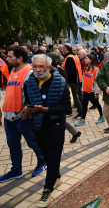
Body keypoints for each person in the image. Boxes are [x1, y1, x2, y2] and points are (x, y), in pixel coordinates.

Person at [22, 54, 71, 207]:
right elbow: (27, 103)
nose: (37, 69)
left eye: (41, 66)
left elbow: (67, 108)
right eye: (34, 66)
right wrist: (28, 111)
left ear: (49, 67)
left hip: (55, 124)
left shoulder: (60, 82)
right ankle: (56, 177)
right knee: (46, 155)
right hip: (37, 124)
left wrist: (45, 109)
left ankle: (47, 190)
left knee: (53, 155)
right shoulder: (29, 83)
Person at [0, 46, 46, 183]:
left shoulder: (29, 72)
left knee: (33, 142)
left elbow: (33, 95)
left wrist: (26, 113)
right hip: (9, 116)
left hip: (22, 117)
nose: (6, 59)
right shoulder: (13, 70)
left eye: (9, 56)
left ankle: (43, 161)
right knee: (13, 144)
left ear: (20, 58)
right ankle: (16, 170)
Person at [47, 52, 81, 143]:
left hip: (58, 98)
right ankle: (75, 132)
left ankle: (74, 132)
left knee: (58, 118)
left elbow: (64, 83)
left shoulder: (58, 69)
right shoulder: (52, 69)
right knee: (58, 118)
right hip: (54, 97)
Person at [74, 54, 105, 126]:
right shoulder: (85, 68)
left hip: (93, 91)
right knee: (84, 105)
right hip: (86, 90)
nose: (85, 60)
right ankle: (82, 120)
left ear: (91, 60)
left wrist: (96, 93)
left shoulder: (96, 70)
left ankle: (102, 116)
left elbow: (97, 82)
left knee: (96, 104)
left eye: (87, 58)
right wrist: (82, 89)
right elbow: (84, 79)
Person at [62, 44, 83, 119]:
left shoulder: (69, 58)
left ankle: (81, 113)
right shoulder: (74, 56)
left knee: (75, 97)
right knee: (76, 96)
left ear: (65, 49)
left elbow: (70, 72)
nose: (62, 51)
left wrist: (68, 82)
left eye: (63, 49)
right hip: (77, 79)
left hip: (74, 80)